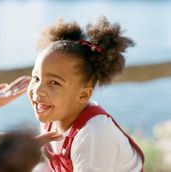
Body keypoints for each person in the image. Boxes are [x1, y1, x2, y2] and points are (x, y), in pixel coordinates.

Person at [27, 16, 144, 172]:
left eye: (54, 82)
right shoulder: (50, 117)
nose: (37, 90)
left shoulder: (93, 134)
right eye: (36, 78)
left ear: (83, 95)